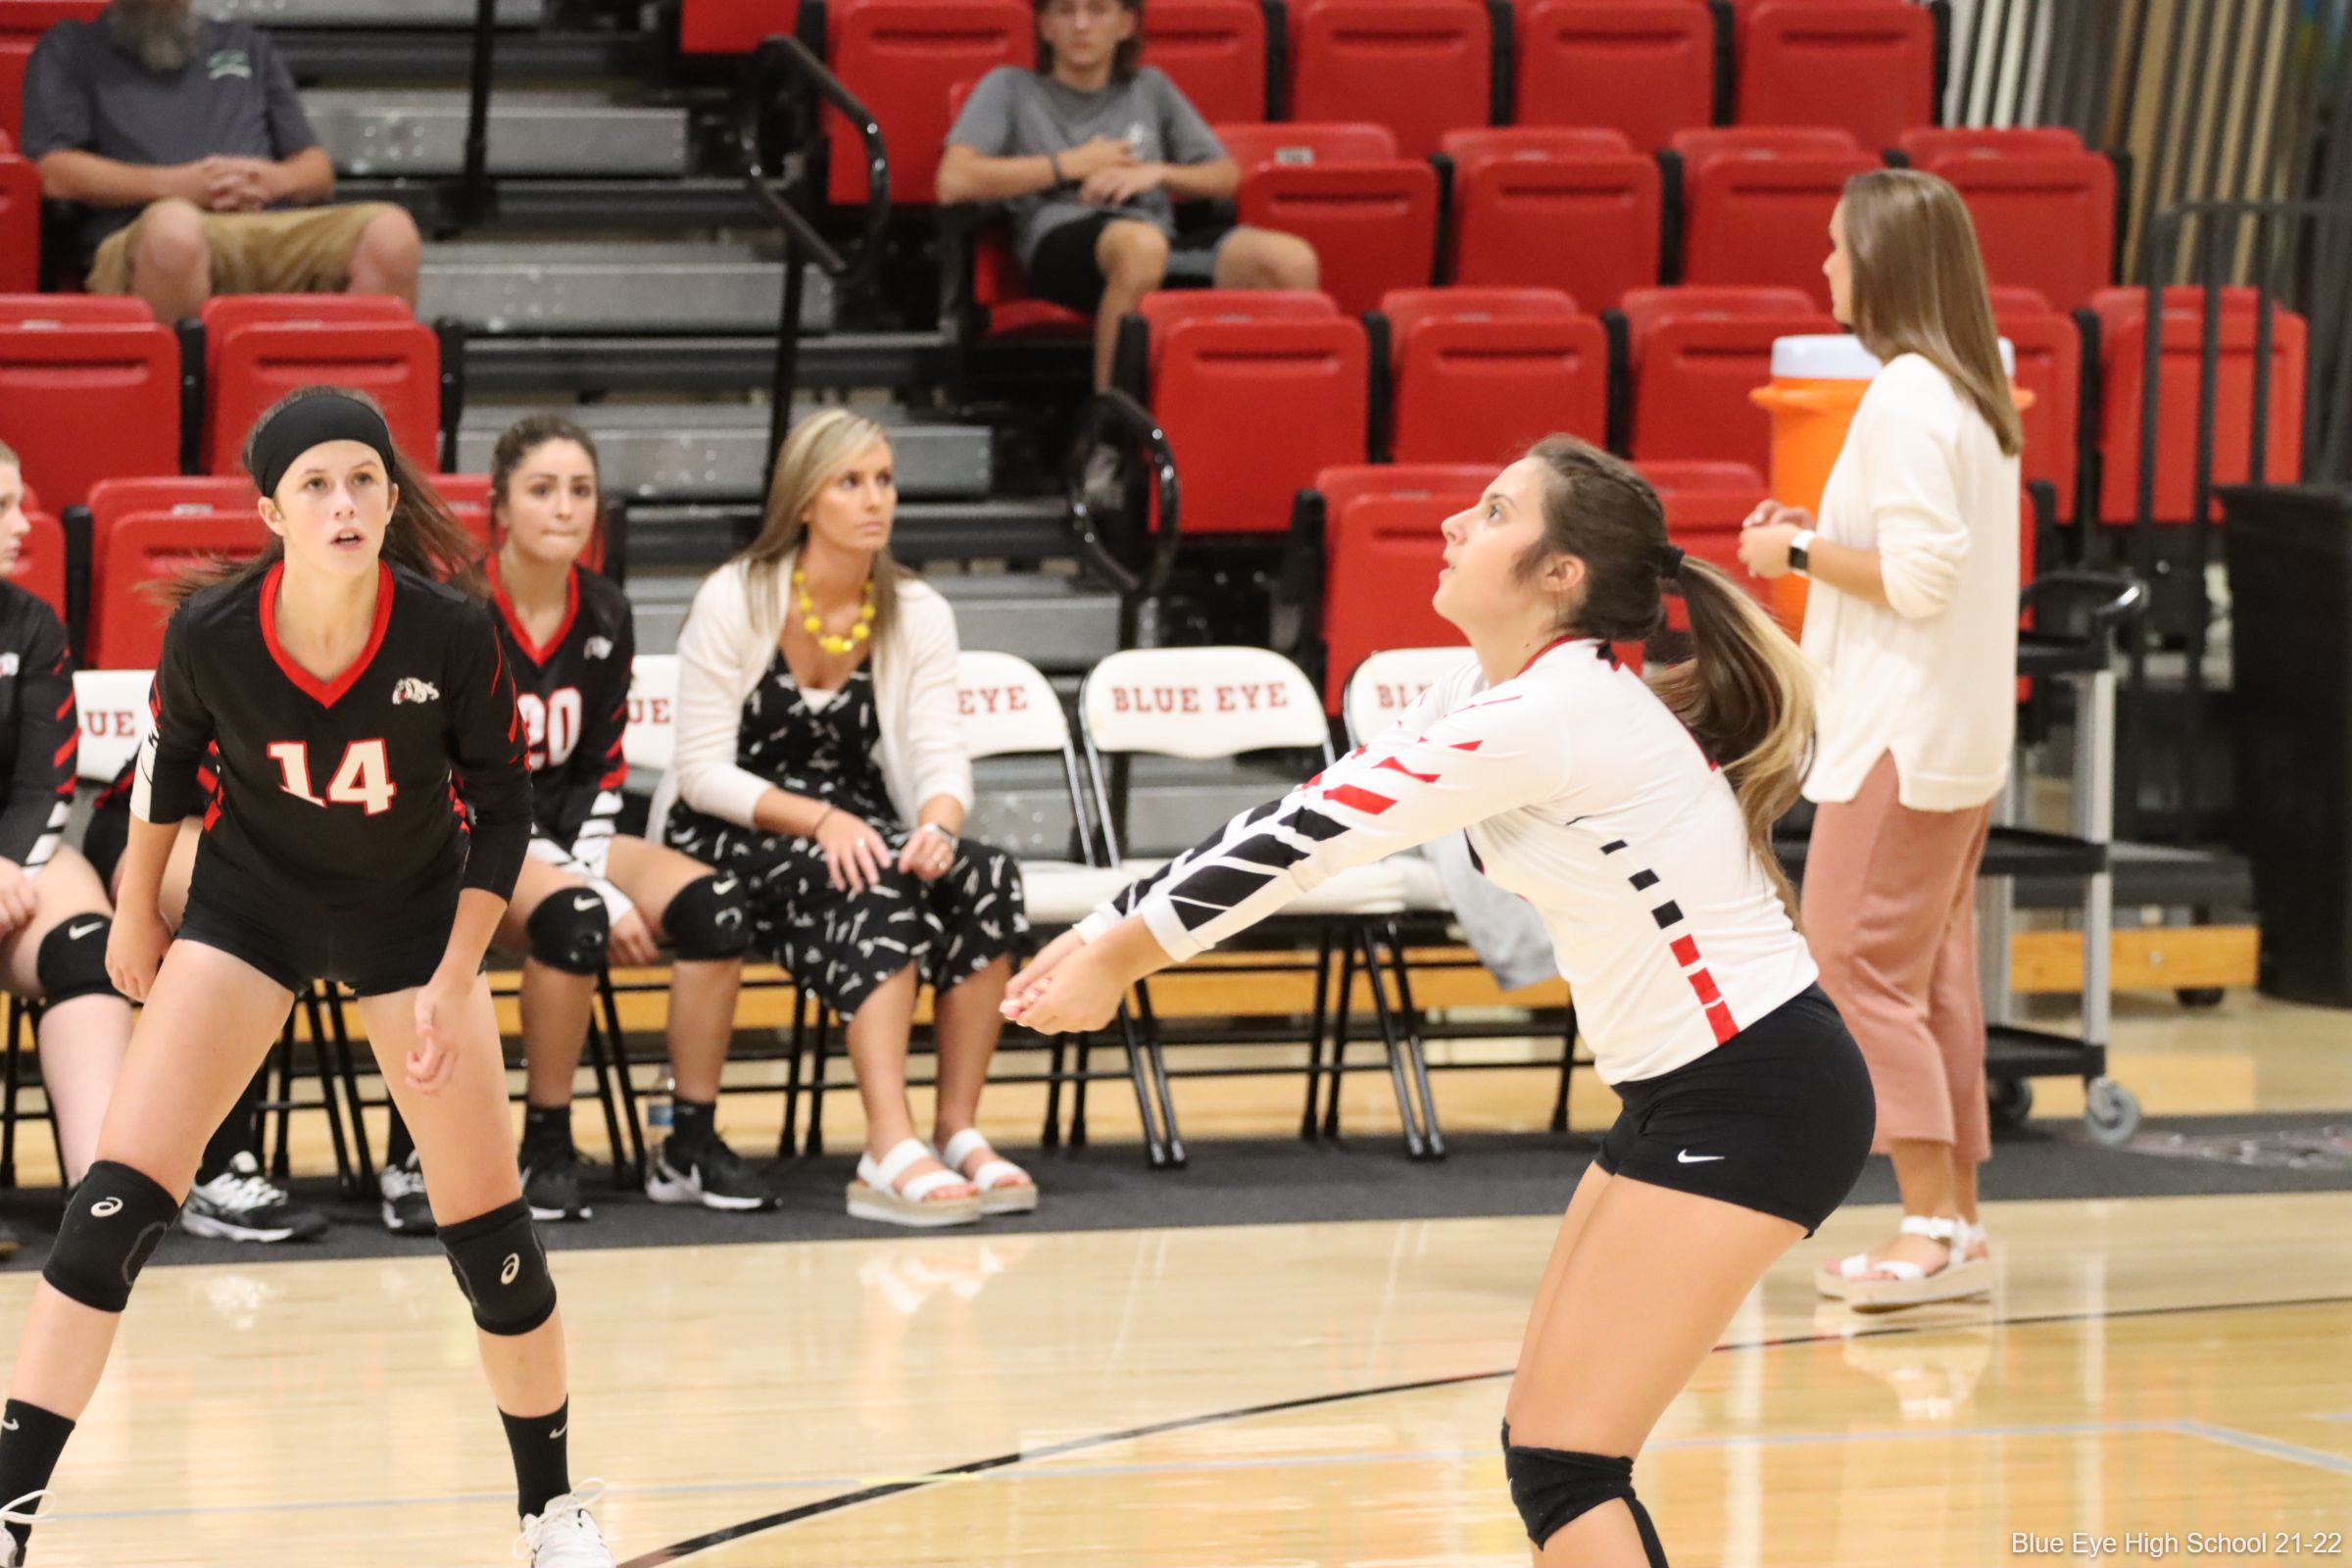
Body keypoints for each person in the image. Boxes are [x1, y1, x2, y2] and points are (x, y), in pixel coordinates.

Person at [1005, 437, 1876, 1567]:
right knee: (1548, 1454)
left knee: (1568, 1462)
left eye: (1496, 510)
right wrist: (1104, 927)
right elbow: (1316, 802)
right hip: (1692, 1092)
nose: (1459, 524)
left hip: (1754, 1095)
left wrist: (1124, 951)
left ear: (1560, 573)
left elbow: (1313, 842)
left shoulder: (1555, 713)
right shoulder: (1497, 689)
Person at [0, 388, 613, 1567]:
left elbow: (503, 815)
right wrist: (135, 913)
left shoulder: (449, 630)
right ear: (273, 509)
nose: (345, 503)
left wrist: (453, 970)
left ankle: (552, 1511)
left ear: (391, 498)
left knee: (491, 1240)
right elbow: (162, 781)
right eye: (318, 484)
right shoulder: (216, 634)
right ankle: (11, 1511)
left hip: (411, 927)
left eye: (365, 481)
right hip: (249, 917)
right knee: (107, 1217)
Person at [1737, 170, 2022, 1313]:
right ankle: (1952, 1223)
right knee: (1930, 978)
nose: (1826, 269)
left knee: (1855, 968)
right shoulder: (1974, 384)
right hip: (1955, 729)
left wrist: (1791, 557)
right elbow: (1931, 564)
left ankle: (1925, 1226)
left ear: (1886, 264)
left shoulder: (1907, 393)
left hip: (1898, 735)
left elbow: (1916, 576)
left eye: (1838, 250)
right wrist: (1817, 538)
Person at [375, 415, 760, 1229]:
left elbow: (602, 766)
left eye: (581, 491)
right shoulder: (458, 612)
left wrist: (592, 869)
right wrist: (594, 889)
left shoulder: (606, 612)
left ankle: (686, 1141)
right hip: (471, 835)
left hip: (571, 827)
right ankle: (546, 1142)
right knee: (579, 919)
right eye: (543, 490)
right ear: (501, 508)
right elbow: (468, 783)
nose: (565, 509)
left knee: (717, 908)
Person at [657, 409, 1034, 1228]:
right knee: (869, 878)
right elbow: (700, 772)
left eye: (885, 480)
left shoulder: (916, 609)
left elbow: (941, 755)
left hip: (860, 824)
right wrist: (821, 820)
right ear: (804, 501)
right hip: (734, 825)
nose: (876, 501)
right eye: (851, 483)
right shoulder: (737, 596)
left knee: (989, 874)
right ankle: (886, 1144)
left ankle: (956, 1127)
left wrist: (936, 823)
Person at [938, 0, 1321, 388]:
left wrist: (1156, 172)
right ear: (1045, 26)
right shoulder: (1009, 87)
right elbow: (953, 181)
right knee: (1141, 247)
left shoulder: (1150, 88)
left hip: (1156, 237)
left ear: (1125, 24)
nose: (1081, 25)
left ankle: (1265, 405)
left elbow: (1224, 176)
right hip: (1061, 243)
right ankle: (1112, 421)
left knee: (1292, 260)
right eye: (1065, 12)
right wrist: (1069, 164)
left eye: (1098, 11)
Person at [20, 0, 422, 320]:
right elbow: (55, 172)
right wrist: (180, 187)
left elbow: (316, 169)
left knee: (392, 233)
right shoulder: (70, 46)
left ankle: (349, 413)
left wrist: (272, 180)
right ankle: (176, 410)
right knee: (175, 231)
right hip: (142, 236)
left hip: (262, 225)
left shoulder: (245, 44)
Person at [83, 766, 330, 1245]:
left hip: (290, 838)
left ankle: (418, 1167)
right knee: (256, 908)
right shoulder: (244, 690)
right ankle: (217, 1169)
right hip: (161, 820)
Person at [0, 446, 135, 1263]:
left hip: (14, 859)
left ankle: (101, 1207)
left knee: (88, 948)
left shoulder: (31, 623)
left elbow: (45, 778)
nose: (23, 525)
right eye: (4, 506)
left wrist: (11, 867)